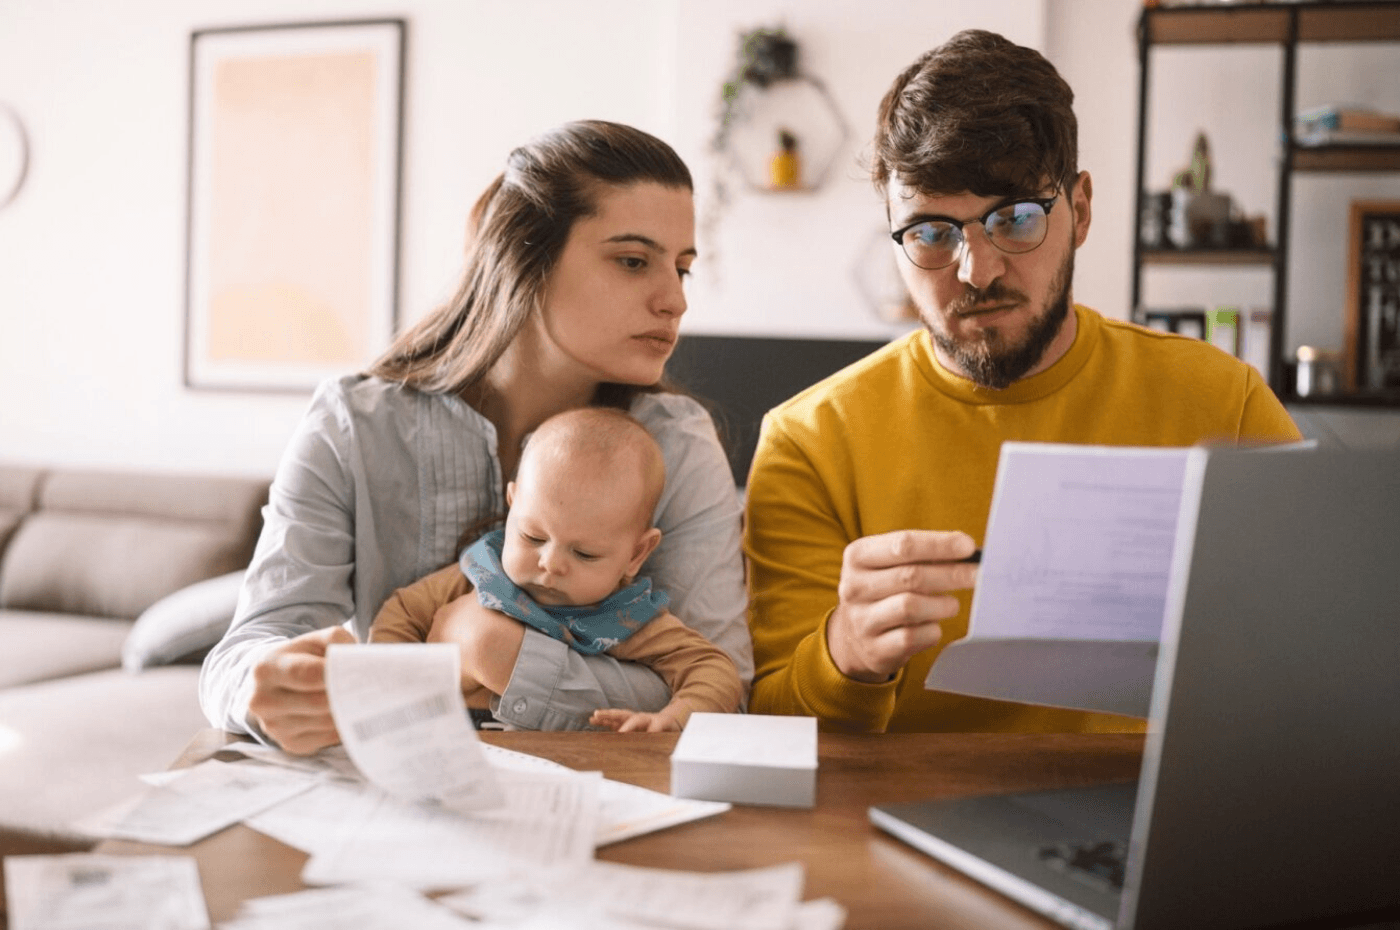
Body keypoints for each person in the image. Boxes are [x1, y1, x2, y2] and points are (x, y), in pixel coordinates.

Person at [743, 30, 1301, 734]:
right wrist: (846, 654)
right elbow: (772, 735)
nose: (977, 271)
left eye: (1015, 218)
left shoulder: (1227, 404)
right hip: (898, 828)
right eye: (931, 232)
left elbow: (1318, 668)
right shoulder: (808, 442)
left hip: (1153, 819)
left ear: (1083, 211)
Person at [200, 120, 753, 754]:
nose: (675, 300)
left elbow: (724, 687)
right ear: (524, 260)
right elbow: (242, 654)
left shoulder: (676, 445)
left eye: (681, 268)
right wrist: (262, 689)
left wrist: (492, 651)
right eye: (633, 262)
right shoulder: (353, 426)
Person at [369, 407, 743, 733]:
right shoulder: (480, 573)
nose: (550, 563)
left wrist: (675, 717)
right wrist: (388, 692)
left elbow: (715, 671)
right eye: (532, 536)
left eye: (584, 554)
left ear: (636, 553)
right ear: (513, 505)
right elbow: (401, 613)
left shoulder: (626, 617)